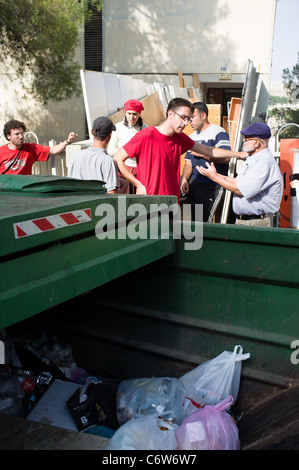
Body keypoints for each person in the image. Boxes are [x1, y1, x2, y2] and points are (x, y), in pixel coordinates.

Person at [114, 97, 246, 203]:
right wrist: (138, 184)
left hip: (171, 203)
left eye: (188, 119)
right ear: (170, 114)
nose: (186, 123)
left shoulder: (180, 138)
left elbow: (207, 150)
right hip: (149, 201)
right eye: (183, 118)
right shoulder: (147, 135)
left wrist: (238, 154)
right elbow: (118, 158)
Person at [197, 123, 283, 227]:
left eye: (247, 139)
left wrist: (214, 177)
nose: (243, 140)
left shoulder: (263, 162)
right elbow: (238, 182)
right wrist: (215, 175)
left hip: (256, 222)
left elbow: (241, 190)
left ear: (256, 143)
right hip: (247, 221)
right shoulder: (254, 159)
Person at [180, 102, 231, 222]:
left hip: (210, 185)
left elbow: (226, 158)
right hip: (193, 183)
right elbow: (188, 163)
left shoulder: (218, 132)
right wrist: (184, 180)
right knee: (187, 218)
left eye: (192, 117)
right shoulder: (191, 137)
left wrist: (203, 154)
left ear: (203, 116)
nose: (189, 121)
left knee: (202, 221)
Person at [69, 116, 127, 194]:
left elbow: (71, 185)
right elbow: (112, 195)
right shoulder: (108, 161)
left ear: (92, 131)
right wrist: (125, 187)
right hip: (98, 205)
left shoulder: (80, 155)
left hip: (80, 204)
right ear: (110, 136)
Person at [0, 119, 77, 175]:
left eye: (22, 133)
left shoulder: (31, 148)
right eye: (17, 134)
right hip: (6, 191)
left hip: (23, 189)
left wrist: (68, 141)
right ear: (8, 136)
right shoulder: (1, 151)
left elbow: (53, 150)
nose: (20, 136)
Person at [107, 99, 147, 194]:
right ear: (125, 113)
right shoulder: (117, 128)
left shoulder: (146, 129)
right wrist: (121, 150)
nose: (131, 117)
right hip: (123, 172)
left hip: (141, 171)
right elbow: (110, 151)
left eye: (135, 114)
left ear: (139, 115)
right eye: (129, 114)